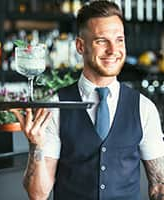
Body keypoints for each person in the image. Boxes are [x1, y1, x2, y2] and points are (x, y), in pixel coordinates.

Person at [13, 1, 164, 200]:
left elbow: (159, 186)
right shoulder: (56, 106)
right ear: (80, 46)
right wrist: (36, 147)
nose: (113, 50)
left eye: (119, 40)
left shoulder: (144, 108)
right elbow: (38, 194)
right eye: (102, 41)